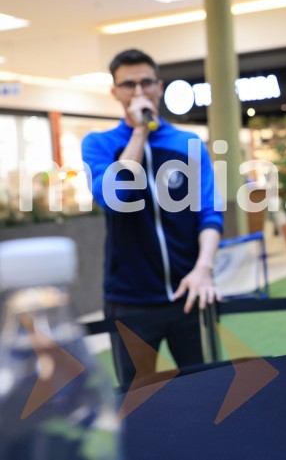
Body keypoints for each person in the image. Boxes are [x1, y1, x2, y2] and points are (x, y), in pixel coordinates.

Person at [82, 49, 223, 390]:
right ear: (115, 92)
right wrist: (139, 133)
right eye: (128, 84)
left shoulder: (187, 143)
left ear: (160, 86)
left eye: (146, 82)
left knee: (207, 389)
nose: (139, 92)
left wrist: (203, 268)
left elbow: (209, 212)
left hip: (188, 293)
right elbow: (113, 199)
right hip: (130, 301)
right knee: (137, 397)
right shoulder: (98, 144)